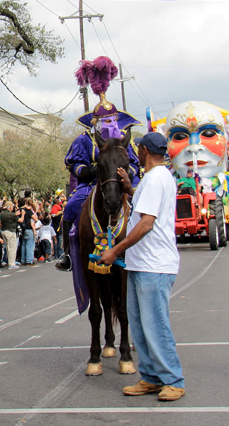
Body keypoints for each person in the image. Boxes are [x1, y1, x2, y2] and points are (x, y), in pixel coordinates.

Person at [98, 132, 184, 402]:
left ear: (144, 150)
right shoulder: (153, 178)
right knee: (139, 324)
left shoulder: (156, 178)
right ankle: (151, 377)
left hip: (154, 265)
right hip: (141, 264)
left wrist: (115, 250)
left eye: (138, 149)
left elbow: (146, 223)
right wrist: (129, 188)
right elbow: (146, 206)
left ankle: (173, 379)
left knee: (155, 324)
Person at [57, 57, 141, 272]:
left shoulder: (124, 140)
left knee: (140, 203)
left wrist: (127, 174)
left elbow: (135, 164)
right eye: (106, 121)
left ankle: (142, 245)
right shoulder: (85, 140)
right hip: (92, 184)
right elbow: (75, 165)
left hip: (119, 183)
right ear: (95, 123)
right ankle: (67, 252)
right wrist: (92, 170)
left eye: (113, 120)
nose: (110, 125)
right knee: (72, 206)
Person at [0, 201, 21, 269]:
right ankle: (11, 263)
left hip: (4, 231)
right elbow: (21, 220)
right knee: (12, 248)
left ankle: (9, 261)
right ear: (10, 207)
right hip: (11, 231)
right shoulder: (11, 214)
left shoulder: (2, 214)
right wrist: (22, 214)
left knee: (8, 247)